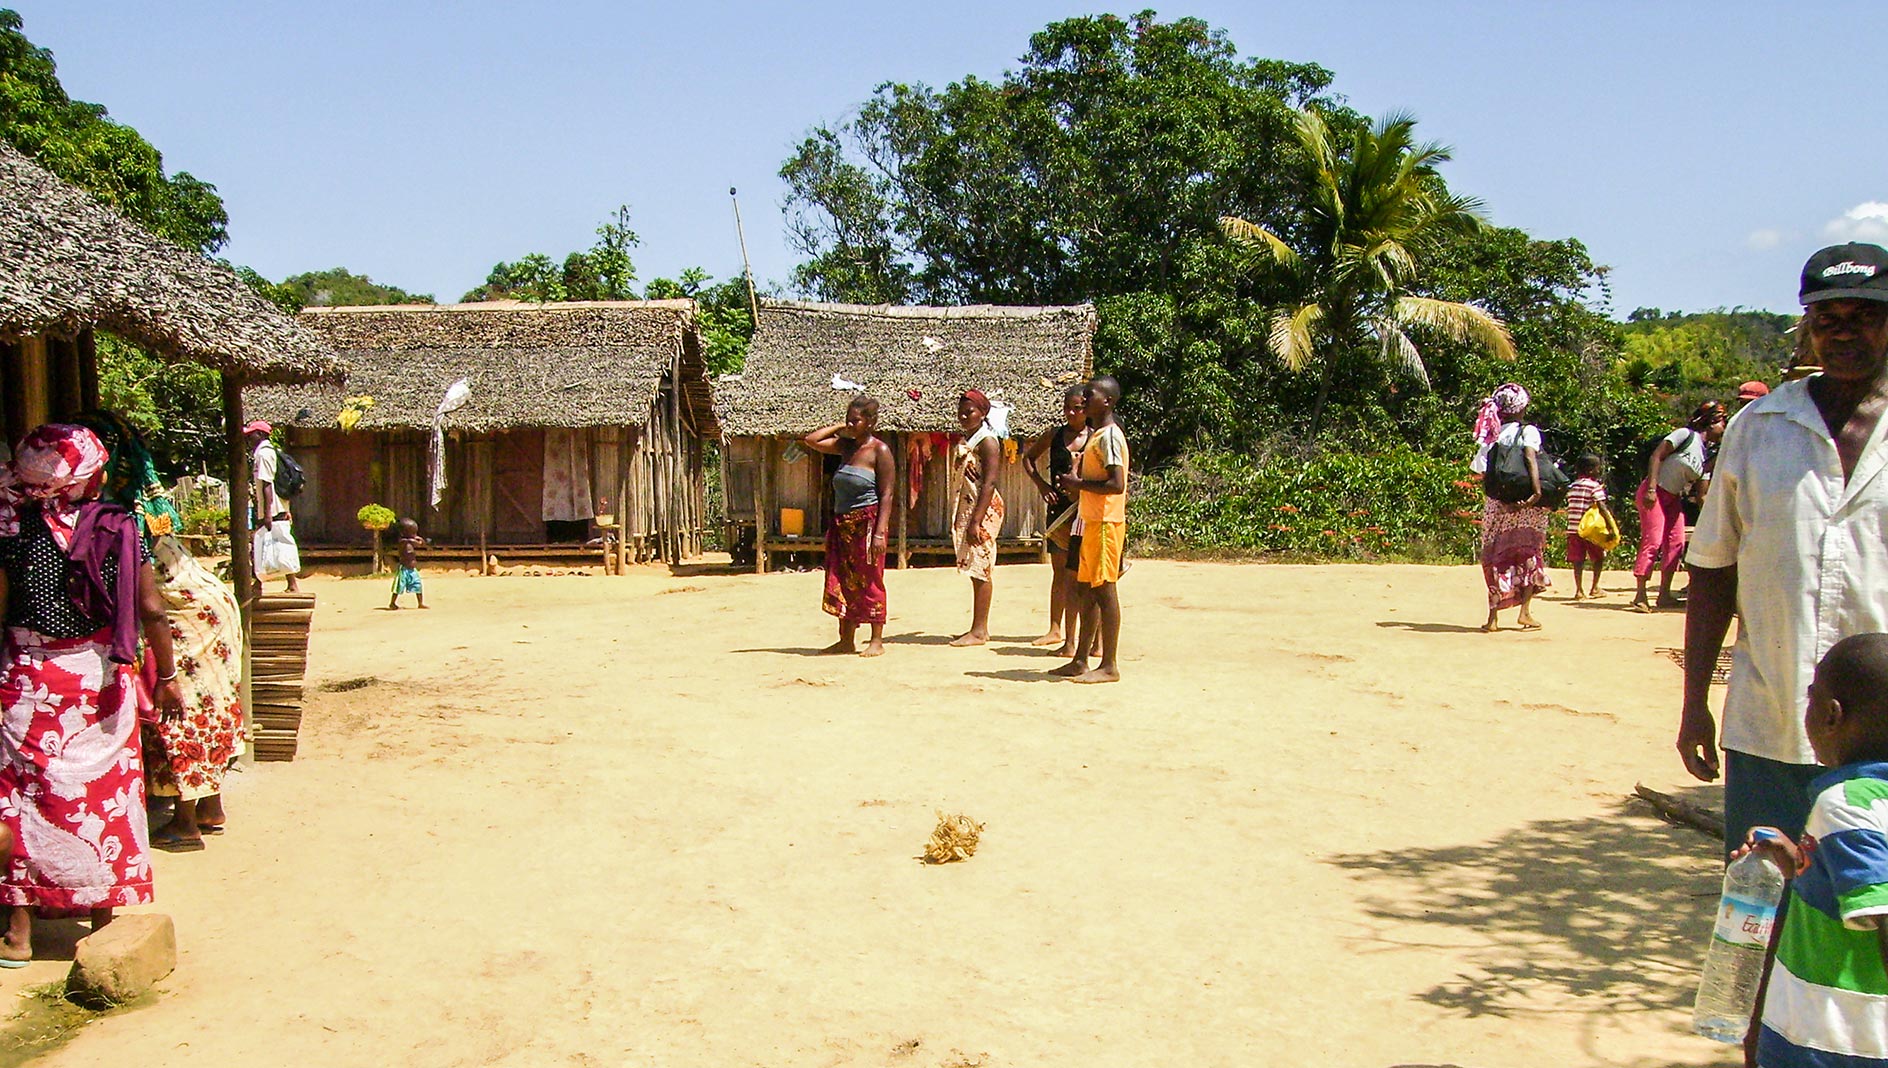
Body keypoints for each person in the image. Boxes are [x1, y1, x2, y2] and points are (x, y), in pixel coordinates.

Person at [1680, 242, 1888, 857]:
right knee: (1755, 917)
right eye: (1829, 320)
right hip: (1770, 728)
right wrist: (1694, 704)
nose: (1844, 333)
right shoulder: (1758, 427)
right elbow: (1714, 570)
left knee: (1869, 923)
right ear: (1808, 330)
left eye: (1865, 317)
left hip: (1882, 739)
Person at [0, 424, 184, 965]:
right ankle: (102, 920)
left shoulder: (11, 528)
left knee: (27, 801)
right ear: (89, 476)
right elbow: (151, 609)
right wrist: (167, 676)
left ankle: (19, 932)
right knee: (103, 799)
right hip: (98, 682)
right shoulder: (120, 525)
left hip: (29, 681)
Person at [78, 411, 245, 853]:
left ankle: (186, 823)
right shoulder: (145, 503)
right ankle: (210, 806)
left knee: (177, 709)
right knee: (209, 707)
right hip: (210, 604)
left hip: (186, 615)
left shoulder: (117, 514)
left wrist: (165, 672)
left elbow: (149, 604)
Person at [1736, 633, 1888, 1068]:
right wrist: (1800, 863)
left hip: (1830, 1039)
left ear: (1830, 716)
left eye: (1811, 698)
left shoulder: (1845, 804)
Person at [1052, 375, 1128, 684]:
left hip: (1105, 522)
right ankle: (1081, 659)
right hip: (1091, 520)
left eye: (1090, 394)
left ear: (1107, 401)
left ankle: (1108, 664)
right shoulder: (1099, 435)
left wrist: (1078, 484)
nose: (1084, 398)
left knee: (1104, 590)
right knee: (1085, 589)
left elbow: (1116, 483)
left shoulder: (1109, 437)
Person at [804, 397, 893, 657]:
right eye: (849, 418)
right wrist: (838, 426)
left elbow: (887, 494)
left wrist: (879, 533)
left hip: (867, 523)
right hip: (842, 523)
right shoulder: (845, 447)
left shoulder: (880, 451)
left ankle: (876, 640)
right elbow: (812, 440)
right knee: (842, 579)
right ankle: (846, 639)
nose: (851, 424)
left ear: (871, 422)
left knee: (871, 578)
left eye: (856, 420)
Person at [1629, 400, 1727, 612]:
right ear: (1711, 422)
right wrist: (1651, 489)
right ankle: (1640, 595)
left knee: (1675, 544)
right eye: (1722, 422)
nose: (1724, 428)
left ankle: (1664, 594)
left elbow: (1702, 493)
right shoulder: (1684, 435)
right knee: (1653, 540)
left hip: (1672, 499)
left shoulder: (1705, 456)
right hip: (1654, 492)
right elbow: (1657, 456)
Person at [1469, 383, 1551, 632]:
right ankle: (1525, 612)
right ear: (1521, 408)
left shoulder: (1492, 434)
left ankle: (1493, 618)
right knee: (1527, 555)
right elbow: (1529, 457)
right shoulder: (1528, 431)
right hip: (1527, 506)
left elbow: (1480, 469)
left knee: (1496, 557)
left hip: (1498, 506)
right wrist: (1536, 492)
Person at [1024, 384, 1088, 656]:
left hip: (1085, 510)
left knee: (1085, 574)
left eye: (1077, 408)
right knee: (1060, 571)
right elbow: (1028, 459)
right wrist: (1041, 485)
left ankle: (1090, 635)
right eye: (1067, 408)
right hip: (1058, 510)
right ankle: (1054, 628)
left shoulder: (1096, 437)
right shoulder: (1054, 434)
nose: (1071, 413)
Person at [949, 390, 1004, 647]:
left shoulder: (988, 442)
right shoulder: (969, 439)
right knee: (973, 565)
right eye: (961, 411)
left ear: (983, 413)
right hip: (969, 508)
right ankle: (977, 627)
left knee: (981, 566)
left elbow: (989, 483)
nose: (963, 416)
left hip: (981, 511)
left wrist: (976, 521)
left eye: (969, 411)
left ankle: (980, 630)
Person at [245, 420, 300, 595]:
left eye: (251, 434)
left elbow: (267, 484)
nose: (248, 438)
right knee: (274, 544)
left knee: (271, 545)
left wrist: (267, 514)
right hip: (277, 508)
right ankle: (265, 583)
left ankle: (265, 584)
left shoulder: (264, 455)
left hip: (272, 509)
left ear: (260, 435)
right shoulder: (270, 453)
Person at [1563, 453, 1609, 601]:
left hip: (1573, 529)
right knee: (1598, 557)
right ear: (1590, 470)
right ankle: (1595, 587)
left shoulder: (1572, 486)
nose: (1599, 471)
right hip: (1591, 530)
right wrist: (1610, 523)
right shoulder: (1594, 486)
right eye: (1597, 468)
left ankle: (1579, 590)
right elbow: (1601, 506)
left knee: (1578, 560)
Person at [389, 518, 427, 610]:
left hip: (412, 568)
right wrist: (415, 538)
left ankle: (420, 603)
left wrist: (419, 538)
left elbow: (422, 545)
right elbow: (415, 543)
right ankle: (392, 603)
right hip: (404, 569)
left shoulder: (410, 541)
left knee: (418, 585)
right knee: (398, 586)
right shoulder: (403, 541)